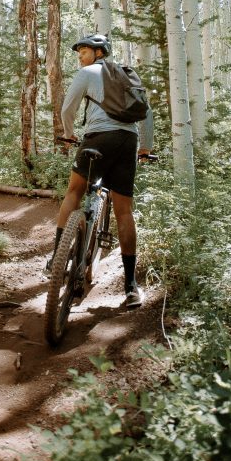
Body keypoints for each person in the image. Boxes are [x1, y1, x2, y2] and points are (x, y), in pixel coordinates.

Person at [46, 33, 153, 308]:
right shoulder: (128, 75)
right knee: (124, 211)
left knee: (74, 191)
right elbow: (146, 113)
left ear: (99, 53)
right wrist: (145, 148)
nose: (80, 57)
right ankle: (131, 287)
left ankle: (57, 257)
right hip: (128, 142)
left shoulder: (87, 73)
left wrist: (69, 134)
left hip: (98, 139)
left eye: (84, 51)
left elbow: (67, 108)